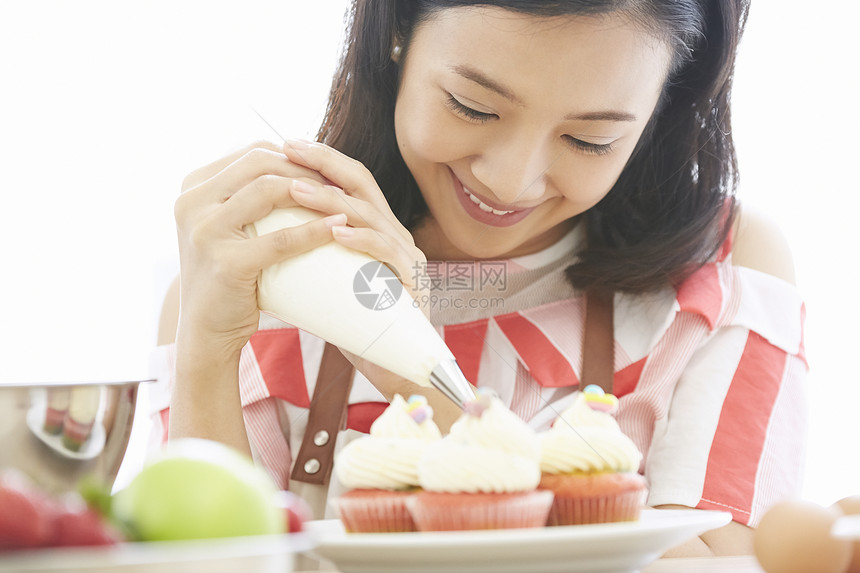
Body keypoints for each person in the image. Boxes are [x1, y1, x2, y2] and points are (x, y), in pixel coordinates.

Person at [151, 0, 806, 557]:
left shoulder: (723, 273)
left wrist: (416, 367)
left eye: (588, 140)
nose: (509, 180)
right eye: (473, 107)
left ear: (665, 102)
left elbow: (718, 565)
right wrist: (204, 353)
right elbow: (202, 556)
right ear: (398, 32)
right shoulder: (266, 270)